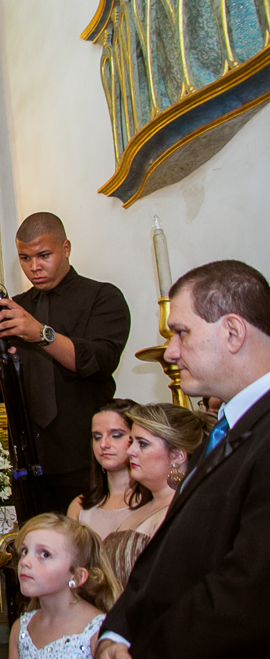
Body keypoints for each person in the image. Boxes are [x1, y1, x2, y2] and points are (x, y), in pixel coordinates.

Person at [97, 260, 270, 658]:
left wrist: (142, 649)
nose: (171, 352)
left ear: (233, 332)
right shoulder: (224, 428)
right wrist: (118, 631)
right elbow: (170, 554)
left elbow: (250, 589)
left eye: (181, 332)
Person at [0, 212, 131, 514]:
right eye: (25, 258)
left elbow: (100, 361)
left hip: (86, 457)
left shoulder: (101, 296)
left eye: (43, 255)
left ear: (66, 248)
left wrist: (40, 333)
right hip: (27, 461)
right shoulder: (14, 307)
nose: (34, 267)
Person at [8, 513, 119, 659]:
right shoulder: (20, 629)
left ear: (77, 576)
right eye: (25, 551)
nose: (25, 562)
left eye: (45, 554)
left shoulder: (99, 632)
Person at [112, 403, 211, 537]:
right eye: (131, 442)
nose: (129, 451)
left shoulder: (185, 512)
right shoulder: (147, 506)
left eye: (143, 444)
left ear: (177, 456)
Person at [67, 400, 149, 540]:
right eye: (97, 437)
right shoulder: (79, 507)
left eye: (116, 435)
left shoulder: (156, 501)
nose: (103, 444)